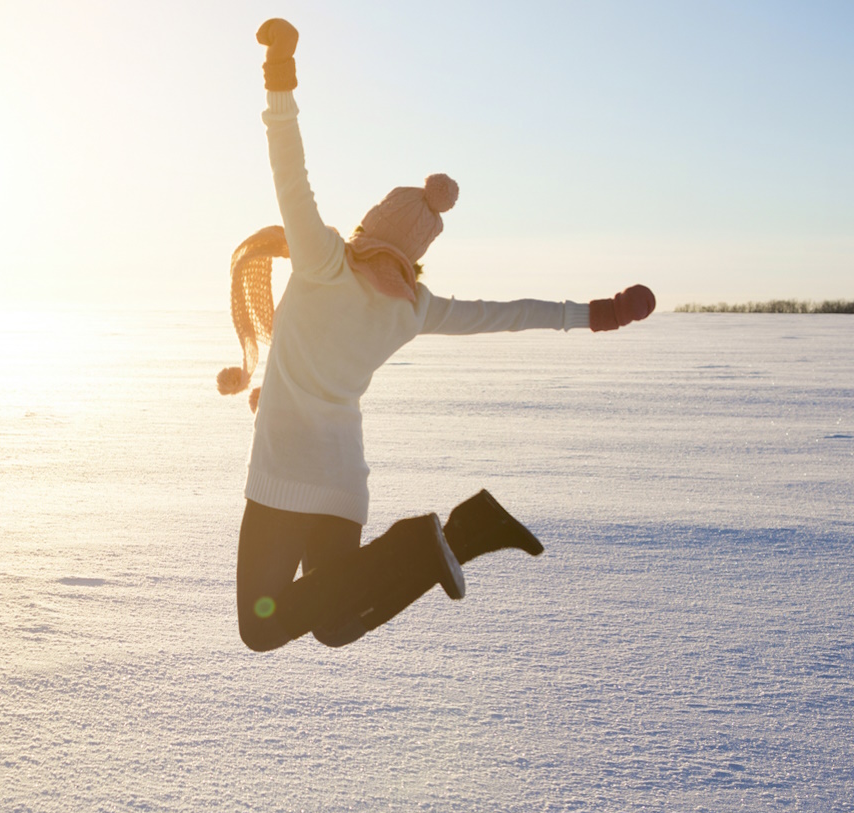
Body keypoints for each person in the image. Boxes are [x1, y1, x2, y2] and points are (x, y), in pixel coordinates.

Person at [222, 19, 656, 652]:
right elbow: (508, 312)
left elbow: (290, 169)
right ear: (417, 254)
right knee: (336, 621)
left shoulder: (323, 262)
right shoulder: (414, 308)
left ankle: (414, 543)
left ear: (368, 226)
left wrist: (279, 71)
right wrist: (597, 313)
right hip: (343, 483)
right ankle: (460, 535)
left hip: (284, 475)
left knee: (261, 628)